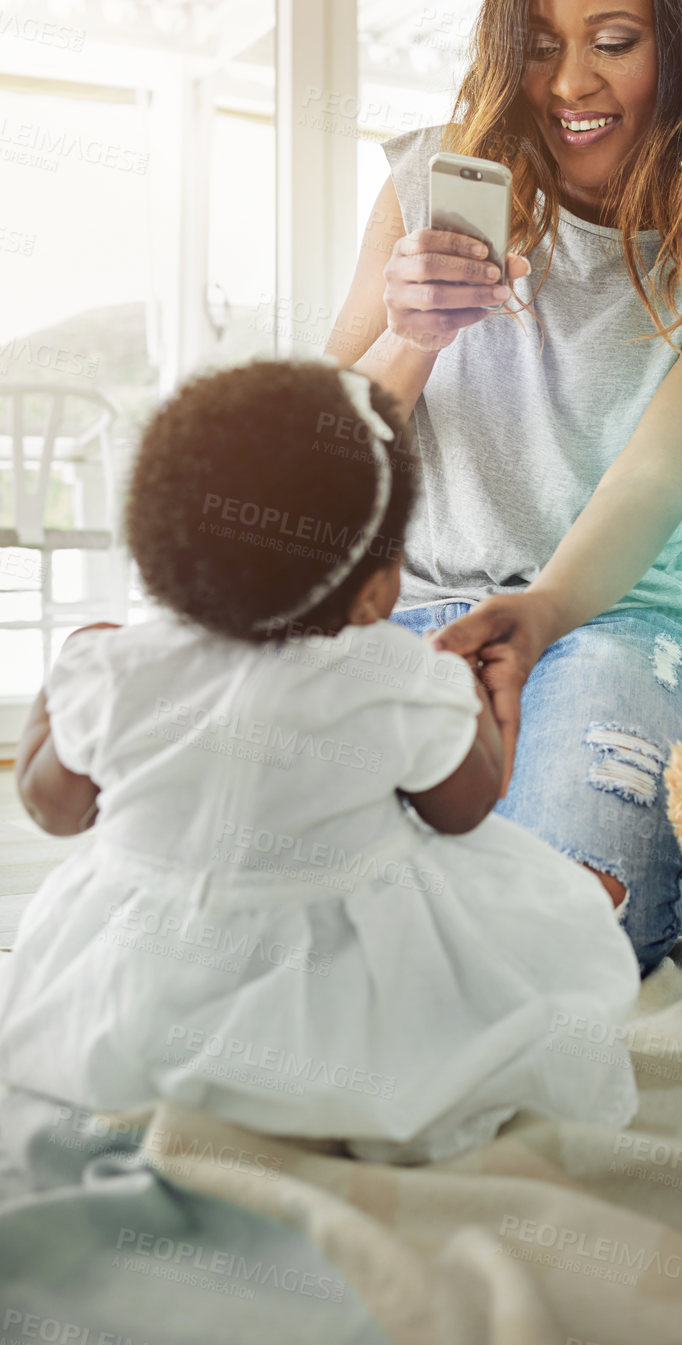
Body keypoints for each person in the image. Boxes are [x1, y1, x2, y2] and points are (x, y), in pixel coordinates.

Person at [327, 0, 682, 979]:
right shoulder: (425, 184)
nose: (570, 81)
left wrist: (536, 617)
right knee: (242, 849)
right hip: (399, 617)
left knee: (568, 913)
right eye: (540, 42)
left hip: (605, 630)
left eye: (615, 40)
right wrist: (411, 335)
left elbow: (645, 491)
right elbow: (315, 452)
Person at [0, 359, 641, 1164]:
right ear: (375, 591)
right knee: (525, 921)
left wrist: (67, 678)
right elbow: (463, 808)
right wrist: (473, 703)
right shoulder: (393, 676)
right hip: (330, 1005)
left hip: (124, 1002)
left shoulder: (117, 668)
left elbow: (54, 807)